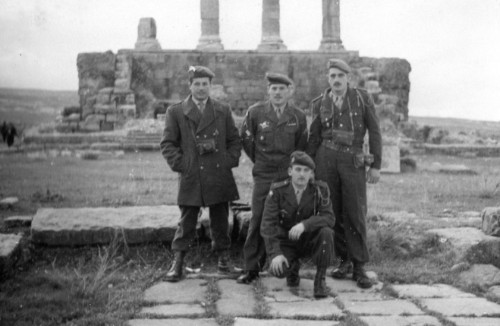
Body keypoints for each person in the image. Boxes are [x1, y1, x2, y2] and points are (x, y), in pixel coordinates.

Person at [160, 65, 242, 282]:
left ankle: (224, 261)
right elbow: (167, 144)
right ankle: (178, 262)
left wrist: (228, 161)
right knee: (187, 220)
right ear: (190, 86)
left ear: (210, 86)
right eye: (197, 84)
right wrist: (183, 165)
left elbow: (234, 140)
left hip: (218, 174)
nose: (201, 88)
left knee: (221, 220)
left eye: (205, 84)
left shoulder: (222, 110)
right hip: (192, 174)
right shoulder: (176, 112)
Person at [307, 58, 382, 289]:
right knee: (333, 211)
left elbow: (375, 131)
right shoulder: (320, 102)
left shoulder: (361, 98)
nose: (336, 80)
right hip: (326, 159)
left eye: (340, 76)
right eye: (332, 76)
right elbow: (314, 136)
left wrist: (376, 165)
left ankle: (359, 266)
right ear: (328, 79)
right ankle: (343, 261)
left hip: (353, 161)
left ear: (348, 78)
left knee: (355, 211)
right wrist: (310, 167)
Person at [238, 72, 308, 284]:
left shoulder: (298, 116)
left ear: (289, 91)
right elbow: (247, 141)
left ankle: (291, 268)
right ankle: (252, 268)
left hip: (287, 176)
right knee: (258, 219)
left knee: (289, 219)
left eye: (282, 89)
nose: (278, 93)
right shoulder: (256, 113)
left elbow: (301, 147)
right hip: (264, 174)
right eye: (274, 89)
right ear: (268, 91)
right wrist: (262, 161)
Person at [260, 151, 335, 298]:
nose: (302, 174)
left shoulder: (320, 189)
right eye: (298, 169)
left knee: (326, 232)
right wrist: (276, 254)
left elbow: (329, 217)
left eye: (306, 170)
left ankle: (320, 280)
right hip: (286, 241)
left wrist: (305, 225)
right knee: (278, 270)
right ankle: (292, 269)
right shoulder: (277, 191)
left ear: (311, 173)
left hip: (308, 240)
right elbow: (267, 224)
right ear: (290, 171)